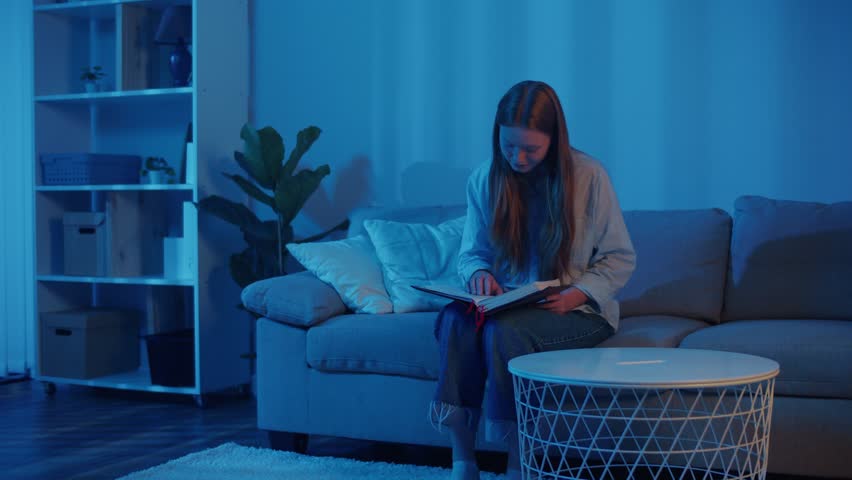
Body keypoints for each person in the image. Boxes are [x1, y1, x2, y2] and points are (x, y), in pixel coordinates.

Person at [428, 80, 636, 480]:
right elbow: (472, 253)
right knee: (456, 320)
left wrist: (578, 293)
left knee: (503, 334)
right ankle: (462, 461)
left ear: (554, 141)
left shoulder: (589, 176)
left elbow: (619, 258)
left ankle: (517, 464)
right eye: (508, 147)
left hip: (578, 311)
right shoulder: (485, 178)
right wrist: (480, 274)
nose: (518, 157)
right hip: (510, 304)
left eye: (530, 149)